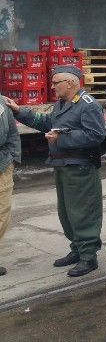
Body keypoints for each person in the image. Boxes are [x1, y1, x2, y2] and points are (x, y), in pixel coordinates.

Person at [5, 65, 106, 277]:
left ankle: (89, 256)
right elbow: (47, 123)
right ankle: (77, 249)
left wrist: (62, 138)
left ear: (70, 83)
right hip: (62, 166)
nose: (52, 87)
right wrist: (18, 111)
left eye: (55, 83)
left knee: (83, 213)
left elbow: (96, 135)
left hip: (79, 167)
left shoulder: (87, 105)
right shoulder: (62, 104)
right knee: (67, 213)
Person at [0, 95, 21, 277]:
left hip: (2, 165)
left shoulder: (2, 103)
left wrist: (13, 159)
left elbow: (12, 133)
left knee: (2, 213)